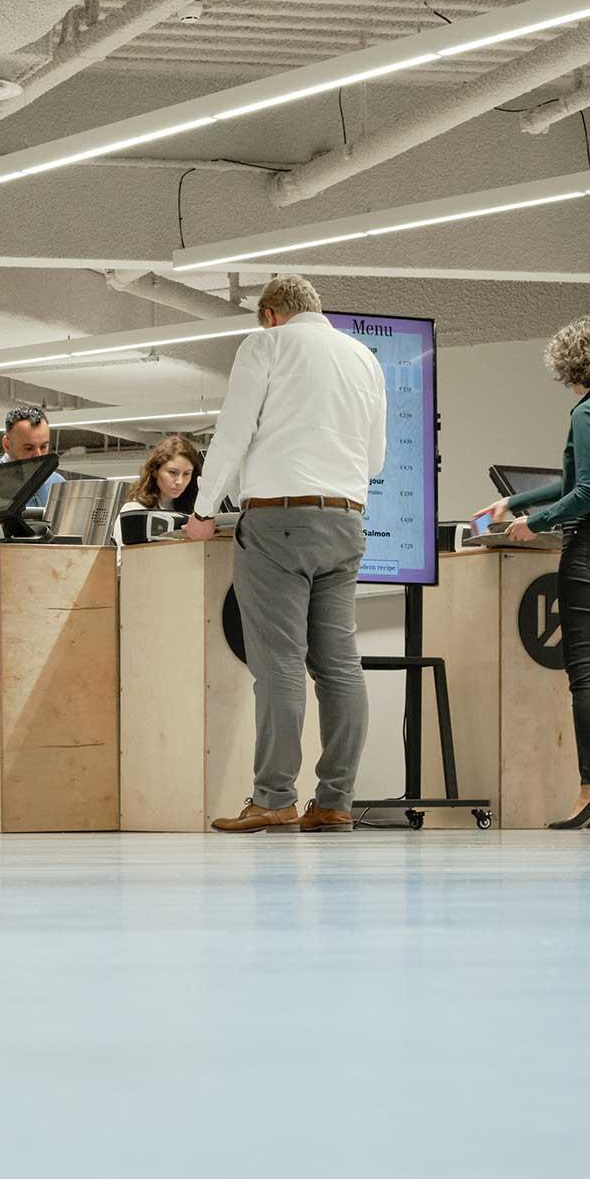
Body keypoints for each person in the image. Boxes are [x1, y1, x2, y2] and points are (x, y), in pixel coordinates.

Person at [182, 274, 386, 834]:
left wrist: (203, 511)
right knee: (340, 666)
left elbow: (233, 433)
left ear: (269, 315)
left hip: (278, 522)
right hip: (346, 521)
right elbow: (374, 460)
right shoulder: (364, 357)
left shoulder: (265, 345)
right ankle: (335, 801)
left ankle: (274, 797)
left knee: (279, 663)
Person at [488, 314, 590, 830]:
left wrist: (533, 524)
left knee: (587, 672)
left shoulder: (588, 412)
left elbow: (587, 493)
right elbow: (578, 480)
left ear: (570, 363)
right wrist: (515, 502)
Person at [118, 433, 206, 546]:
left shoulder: (192, 514)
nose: (180, 481)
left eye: (186, 474)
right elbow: (123, 555)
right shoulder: (134, 511)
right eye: (172, 472)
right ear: (155, 471)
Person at [0, 406, 51, 502]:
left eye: (43, 447)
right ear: (7, 445)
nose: (39, 456)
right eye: (28, 448)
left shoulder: (56, 482)